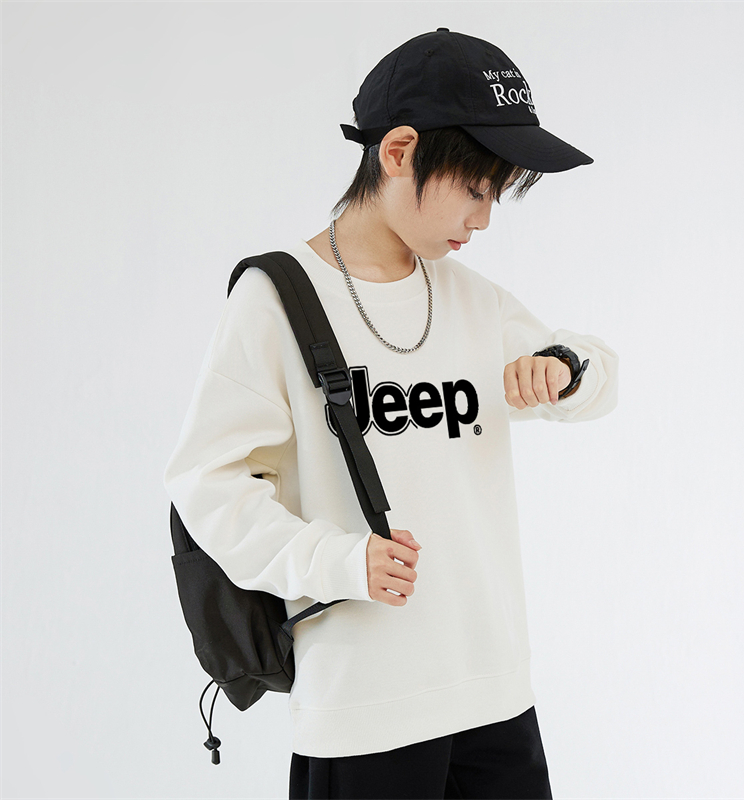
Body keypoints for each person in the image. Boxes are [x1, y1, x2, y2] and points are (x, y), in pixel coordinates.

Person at [163, 27, 619, 800]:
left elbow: (599, 375)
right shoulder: (275, 299)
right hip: (364, 707)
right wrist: (338, 562)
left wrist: (561, 371)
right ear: (400, 152)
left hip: (494, 694)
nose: (484, 219)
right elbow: (207, 484)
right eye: (476, 189)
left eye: (496, 195)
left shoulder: (472, 299)